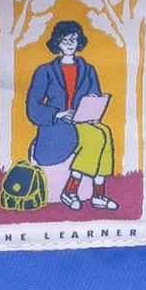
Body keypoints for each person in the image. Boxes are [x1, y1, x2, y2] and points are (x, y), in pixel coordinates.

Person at [25, 20, 117, 210]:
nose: (69, 44)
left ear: (79, 41)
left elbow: (94, 95)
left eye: (73, 39)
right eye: (64, 40)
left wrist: (93, 110)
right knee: (95, 136)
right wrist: (58, 114)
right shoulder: (45, 71)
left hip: (82, 122)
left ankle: (98, 195)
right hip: (56, 127)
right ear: (57, 43)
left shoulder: (88, 69)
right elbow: (33, 108)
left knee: (105, 132)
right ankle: (69, 191)